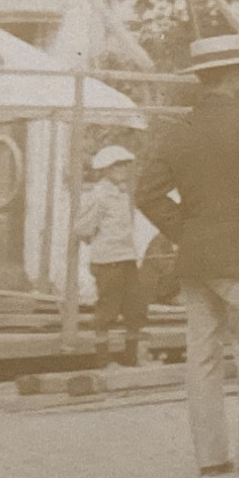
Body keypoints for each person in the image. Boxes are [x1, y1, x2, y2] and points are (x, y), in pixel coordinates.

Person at [135, 33, 239, 476]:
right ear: (237, 77)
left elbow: (146, 193)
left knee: (202, 355)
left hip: (194, 258)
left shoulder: (177, 132)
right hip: (238, 255)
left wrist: (184, 228)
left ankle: (211, 457)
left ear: (200, 79)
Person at [76, 144, 147, 368]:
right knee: (107, 311)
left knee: (134, 309)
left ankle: (130, 357)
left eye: (124, 165)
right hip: (108, 262)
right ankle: (103, 360)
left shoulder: (123, 194)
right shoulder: (99, 196)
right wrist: (100, 243)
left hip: (126, 259)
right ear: (105, 169)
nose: (122, 169)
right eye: (117, 165)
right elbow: (83, 228)